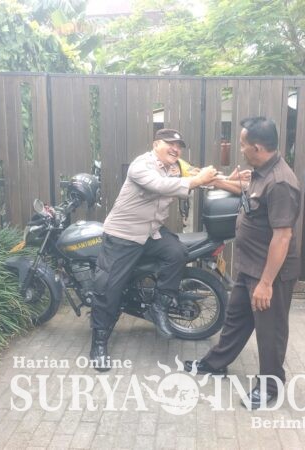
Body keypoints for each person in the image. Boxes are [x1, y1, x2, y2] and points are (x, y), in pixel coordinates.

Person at [184, 116, 301, 410]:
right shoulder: (262, 172)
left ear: (257, 147)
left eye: (243, 145)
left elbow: (283, 237)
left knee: (270, 331)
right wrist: (217, 181)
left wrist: (266, 283)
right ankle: (216, 363)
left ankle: (270, 386)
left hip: (269, 274)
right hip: (250, 267)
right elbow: (246, 191)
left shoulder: (281, 183)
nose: (240, 149)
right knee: (236, 318)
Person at [90, 128, 218, 371]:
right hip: (124, 235)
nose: (175, 149)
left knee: (177, 253)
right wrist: (199, 180)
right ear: (156, 144)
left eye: (179, 146)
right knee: (108, 289)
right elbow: (161, 185)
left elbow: (203, 176)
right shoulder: (141, 166)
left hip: (151, 233)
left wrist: (231, 179)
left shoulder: (176, 167)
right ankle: (99, 342)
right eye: (170, 144)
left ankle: (159, 307)